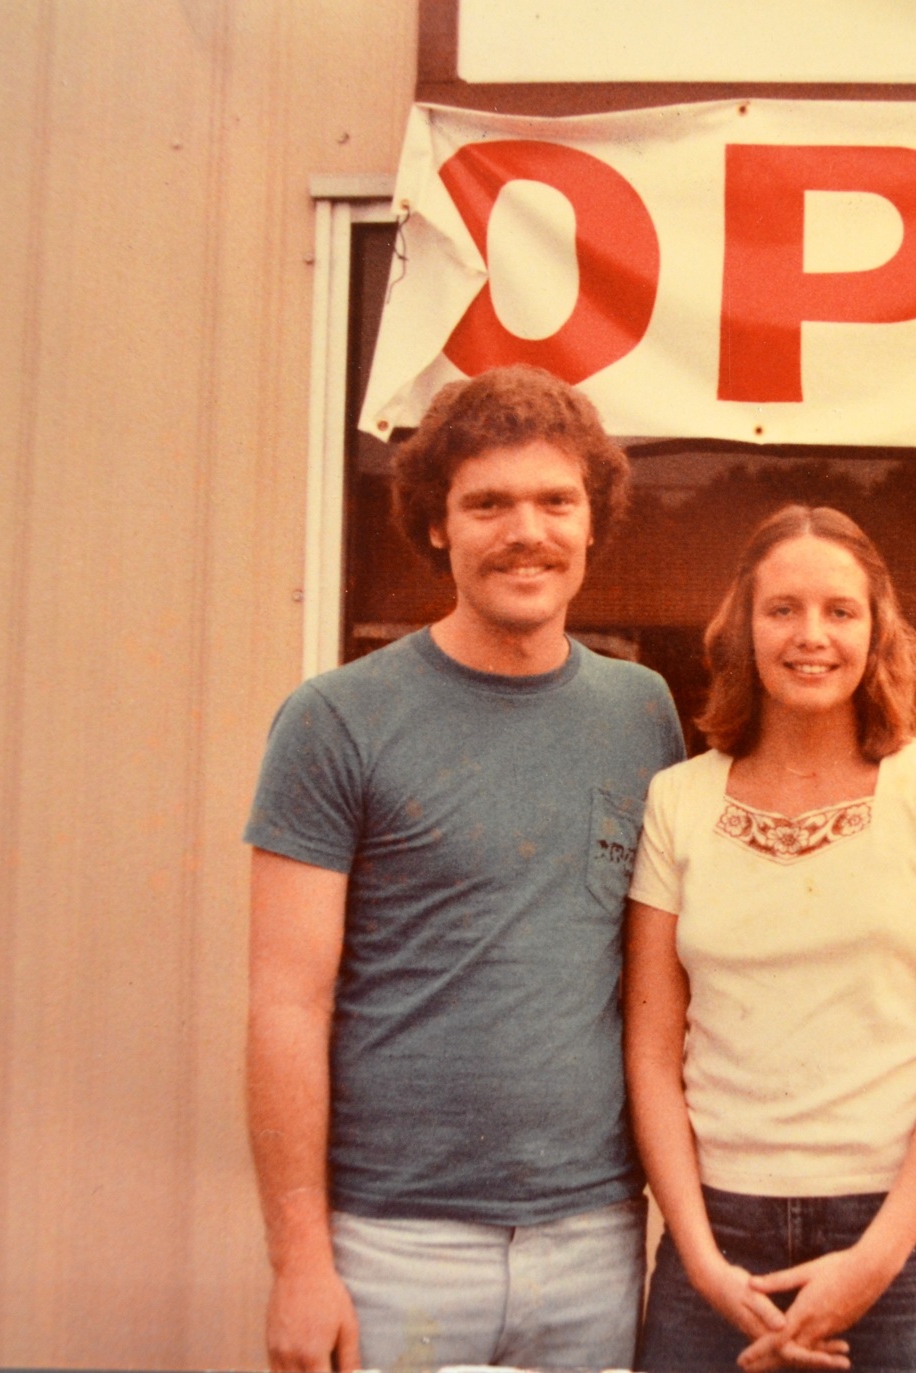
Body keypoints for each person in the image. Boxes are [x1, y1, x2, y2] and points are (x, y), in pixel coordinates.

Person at [243, 365, 685, 1372]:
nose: (524, 530)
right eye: (487, 502)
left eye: (554, 501)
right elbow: (284, 1003)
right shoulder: (335, 718)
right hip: (394, 1243)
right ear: (436, 524)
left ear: (590, 521)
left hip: (593, 1234)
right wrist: (298, 1258)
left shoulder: (642, 711)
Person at [626, 505, 916, 1373]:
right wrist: (696, 1253)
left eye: (840, 610)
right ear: (743, 628)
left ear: (877, 630)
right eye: (782, 609)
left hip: (897, 1231)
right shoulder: (679, 801)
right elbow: (651, 1052)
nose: (812, 636)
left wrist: (873, 1261)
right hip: (720, 1229)